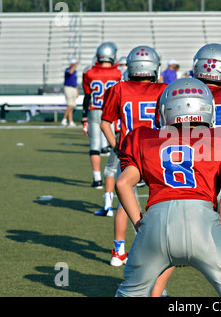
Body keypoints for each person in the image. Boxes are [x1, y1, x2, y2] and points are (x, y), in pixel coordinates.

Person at [115, 77, 221, 297]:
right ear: (208, 108)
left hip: (155, 223)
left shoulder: (143, 138)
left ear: (166, 110)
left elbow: (123, 183)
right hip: (203, 222)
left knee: (130, 293)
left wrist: (139, 225)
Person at [154, 43, 221, 297]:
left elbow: (163, 138)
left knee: (171, 242)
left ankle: (155, 293)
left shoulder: (180, 92)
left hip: (187, 174)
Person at [99, 46, 168, 268]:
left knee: (123, 203)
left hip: (130, 153)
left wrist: (116, 146)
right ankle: (162, 247)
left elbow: (105, 123)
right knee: (164, 200)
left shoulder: (119, 89)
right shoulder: (165, 89)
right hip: (158, 152)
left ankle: (118, 252)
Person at [81, 42, 122, 189]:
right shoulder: (119, 73)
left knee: (95, 144)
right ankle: (115, 175)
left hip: (95, 110)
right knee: (116, 145)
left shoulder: (89, 72)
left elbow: (87, 96)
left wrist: (84, 116)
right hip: (112, 112)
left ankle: (97, 179)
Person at [61, 58, 80, 127]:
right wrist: (75, 65)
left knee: (71, 106)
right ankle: (64, 119)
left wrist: (77, 91)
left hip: (73, 88)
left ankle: (71, 121)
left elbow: (75, 82)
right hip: (68, 88)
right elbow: (70, 72)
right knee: (70, 105)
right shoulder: (68, 69)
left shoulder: (75, 71)